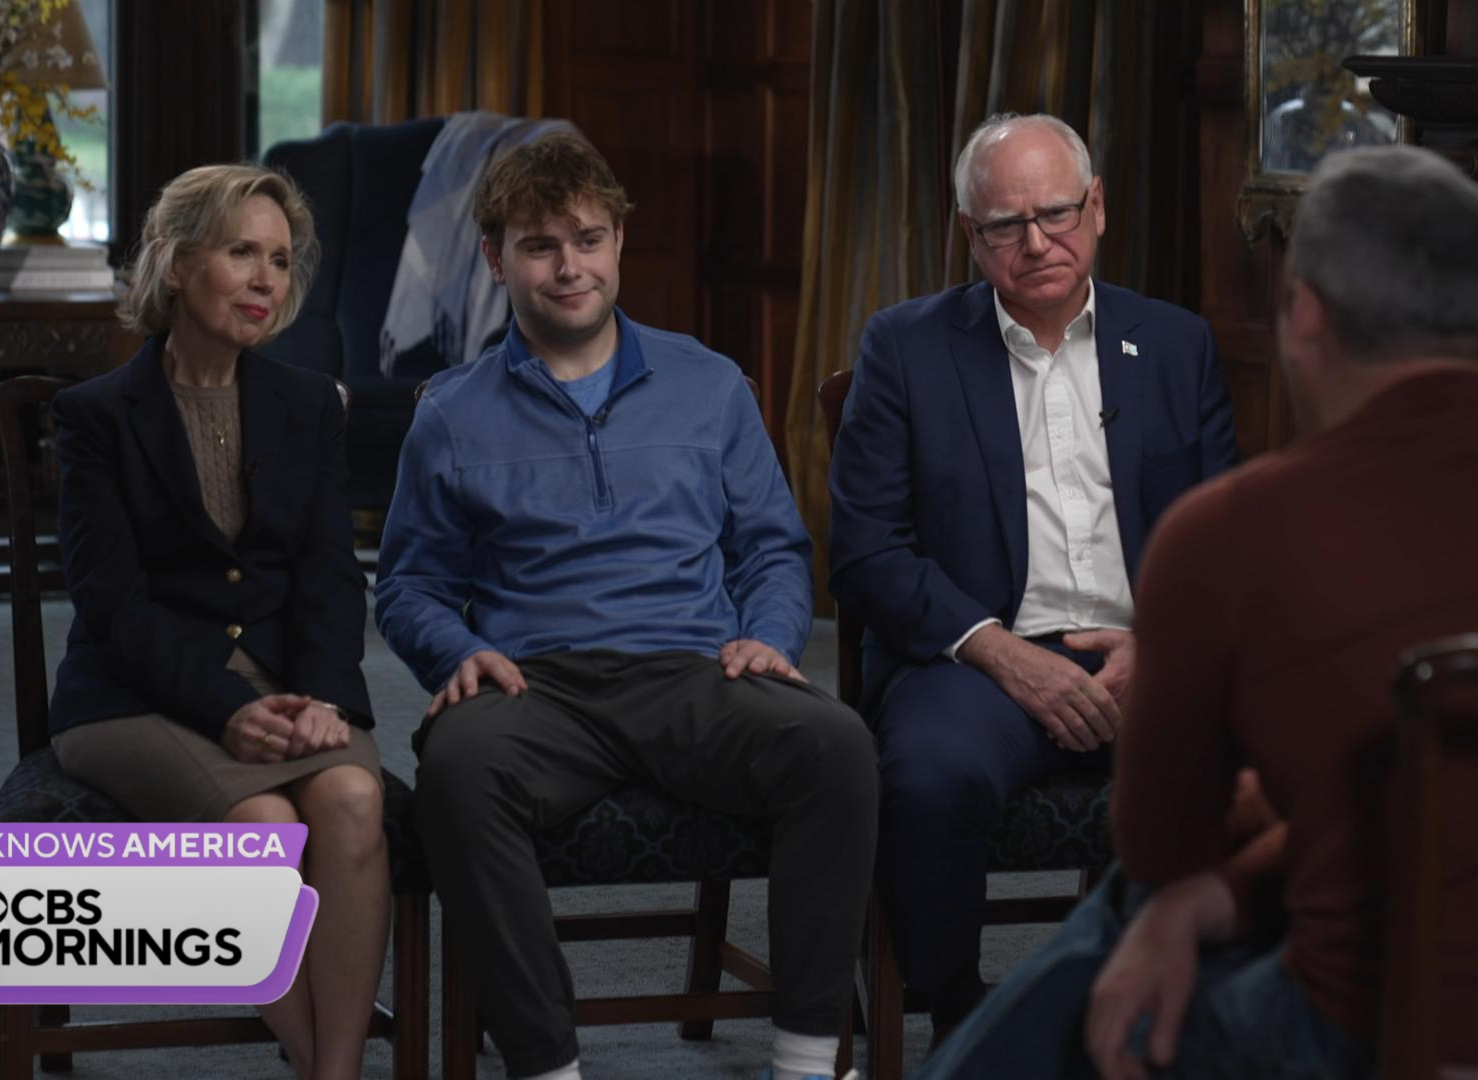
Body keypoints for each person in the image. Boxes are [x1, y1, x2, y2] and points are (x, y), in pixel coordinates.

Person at [915, 144, 1478, 1079]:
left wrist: (1210, 879)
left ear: (1304, 315)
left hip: (1384, 1035)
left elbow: (1157, 845)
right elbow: (1464, 805)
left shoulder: (1236, 530)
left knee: (1117, 937)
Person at [375, 132, 878, 1080]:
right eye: (540, 245)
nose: (570, 266)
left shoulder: (709, 384)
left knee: (838, 745)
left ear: (617, 244)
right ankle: (546, 1063)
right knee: (456, 768)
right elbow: (408, 582)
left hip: (696, 672)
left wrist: (771, 639)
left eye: (590, 239)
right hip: (538, 689)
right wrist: (454, 653)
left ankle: (813, 1058)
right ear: (495, 258)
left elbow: (772, 545)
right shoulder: (449, 411)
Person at [826, 111, 1238, 1032]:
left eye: (1055, 213)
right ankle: (955, 1011)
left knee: (1278, 743)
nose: (1036, 242)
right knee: (929, 776)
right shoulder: (905, 347)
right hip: (975, 661)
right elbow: (863, 552)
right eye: (1005, 225)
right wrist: (1004, 653)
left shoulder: (1176, 344)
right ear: (971, 235)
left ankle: (1216, 1005)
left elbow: (1227, 541)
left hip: (1152, 657)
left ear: (1096, 209)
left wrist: (1161, 648)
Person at [49, 164, 388, 1080]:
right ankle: (323, 1056)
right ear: (175, 262)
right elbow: (111, 601)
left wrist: (324, 697)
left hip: (286, 682)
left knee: (355, 800)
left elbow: (327, 574)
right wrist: (221, 703)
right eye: (242, 252)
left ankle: (336, 1072)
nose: (266, 279)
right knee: (268, 828)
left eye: (279, 260)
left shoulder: (309, 403)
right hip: (130, 697)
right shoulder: (93, 418)